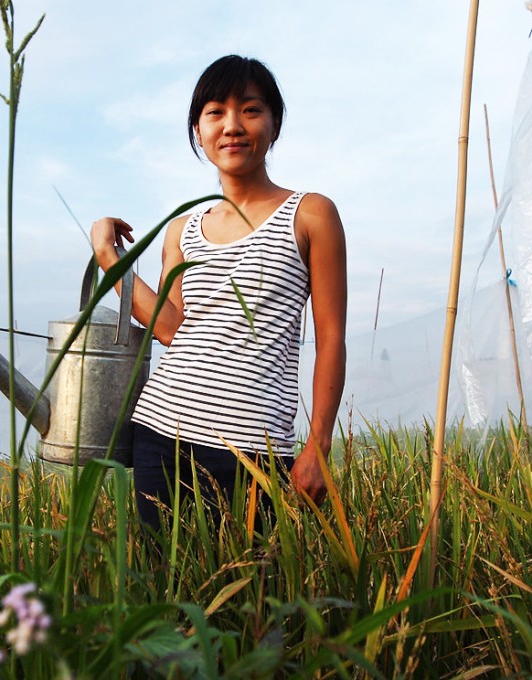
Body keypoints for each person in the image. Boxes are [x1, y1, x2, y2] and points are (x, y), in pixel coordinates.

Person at [90, 55, 347, 532]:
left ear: (274, 124)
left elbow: (331, 337)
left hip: (253, 452)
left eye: (250, 110)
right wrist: (110, 258)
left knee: (250, 598)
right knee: (163, 592)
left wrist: (318, 443)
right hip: (160, 436)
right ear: (197, 129)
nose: (233, 126)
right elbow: (171, 327)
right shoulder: (182, 230)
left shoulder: (311, 215)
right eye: (216, 112)